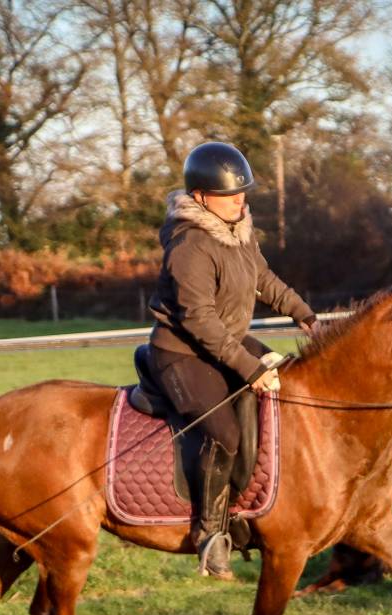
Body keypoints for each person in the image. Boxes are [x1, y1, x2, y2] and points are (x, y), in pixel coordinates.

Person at [147, 141, 317, 580]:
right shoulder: (189, 246)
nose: (240, 200)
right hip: (182, 352)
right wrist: (249, 368)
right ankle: (209, 535)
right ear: (201, 197)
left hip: (226, 340)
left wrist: (303, 313)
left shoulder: (239, 229)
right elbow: (199, 320)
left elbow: (263, 278)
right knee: (222, 431)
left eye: (243, 192)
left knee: (290, 382)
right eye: (230, 195)